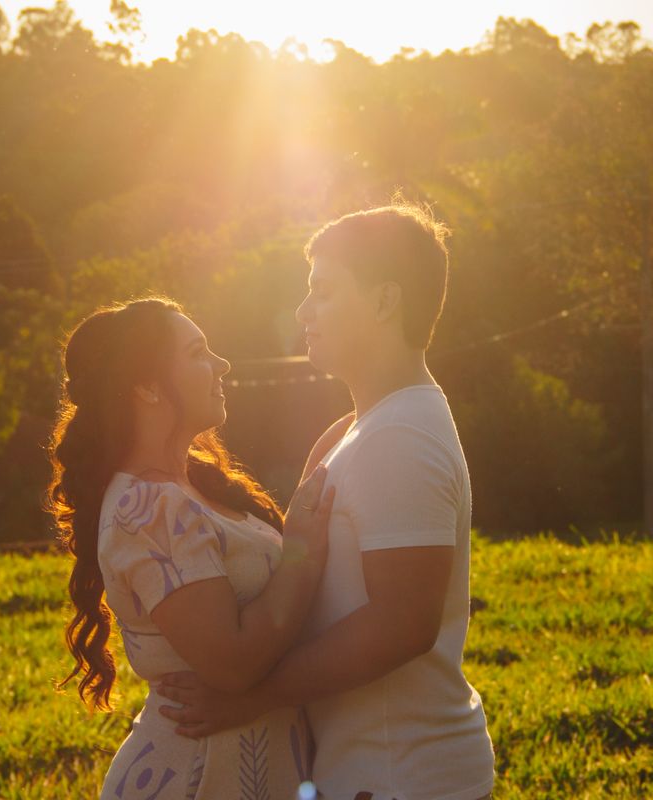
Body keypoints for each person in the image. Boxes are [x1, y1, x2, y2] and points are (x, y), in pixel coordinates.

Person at [156, 204, 496, 800]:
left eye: (324, 292)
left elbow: (403, 624)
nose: (302, 312)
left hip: (404, 774)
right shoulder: (360, 429)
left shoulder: (401, 436)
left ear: (386, 302)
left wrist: (250, 697)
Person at [46, 296, 334, 799]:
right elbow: (233, 664)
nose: (221, 364)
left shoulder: (189, 485)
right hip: (197, 779)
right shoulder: (149, 506)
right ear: (148, 386)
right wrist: (301, 557)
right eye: (198, 353)